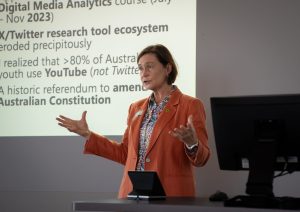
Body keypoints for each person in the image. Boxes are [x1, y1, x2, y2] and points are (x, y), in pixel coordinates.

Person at [56, 44, 210, 198]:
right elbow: (125, 153)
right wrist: (87, 134)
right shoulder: (135, 108)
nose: (144, 73)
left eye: (149, 67)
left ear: (167, 69)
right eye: (140, 68)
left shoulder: (190, 105)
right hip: (133, 196)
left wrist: (192, 143)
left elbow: (202, 159)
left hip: (170, 195)